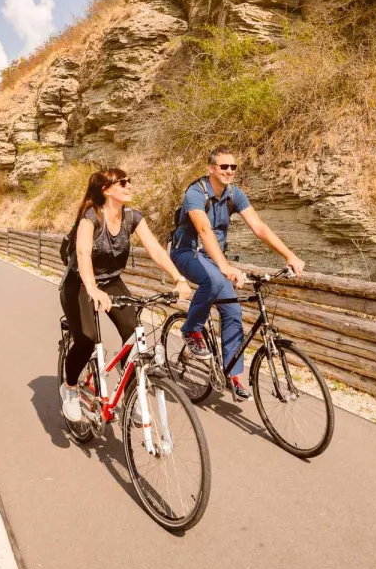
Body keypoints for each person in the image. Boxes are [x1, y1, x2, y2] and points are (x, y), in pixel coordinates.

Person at [170, 146, 305, 400]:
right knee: (213, 279)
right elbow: (203, 229)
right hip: (187, 253)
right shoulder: (196, 193)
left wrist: (289, 255)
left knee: (233, 311)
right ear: (211, 168)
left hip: (214, 257)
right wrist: (225, 267)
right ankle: (191, 330)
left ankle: (231, 372)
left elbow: (259, 227)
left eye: (233, 167)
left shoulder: (234, 194)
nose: (230, 171)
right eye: (224, 166)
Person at [60, 167, 192, 423]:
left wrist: (179, 279)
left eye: (130, 181)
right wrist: (92, 289)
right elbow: (84, 254)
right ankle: (71, 388)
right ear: (106, 190)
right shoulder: (91, 218)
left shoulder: (132, 217)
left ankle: (133, 393)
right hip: (79, 283)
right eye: (122, 182)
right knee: (87, 339)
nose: (129, 185)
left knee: (135, 336)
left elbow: (155, 249)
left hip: (110, 281)